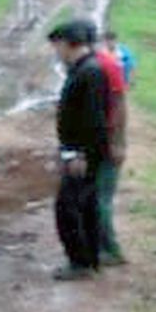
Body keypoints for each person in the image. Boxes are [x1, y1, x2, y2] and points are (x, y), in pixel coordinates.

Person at [47, 20, 112, 280]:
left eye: (58, 46)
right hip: (81, 151)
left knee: (68, 207)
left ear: (68, 43)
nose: (56, 52)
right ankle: (89, 260)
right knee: (86, 206)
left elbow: (94, 120)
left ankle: (80, 263)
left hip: (84, 154)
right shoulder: (84, 69)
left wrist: (80, 154)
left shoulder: (90, 72)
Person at [94, 30, 131, 264]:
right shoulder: (102, 64)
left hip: (109, 143)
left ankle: (111, 250)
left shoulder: (107, 66)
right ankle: (103, 246)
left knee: (101, 198)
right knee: (98, 197)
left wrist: (117, 142)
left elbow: (120, 104)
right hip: (104, 141)